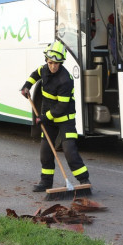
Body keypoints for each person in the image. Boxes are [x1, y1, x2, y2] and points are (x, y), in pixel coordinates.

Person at [20, 41, 90, 191]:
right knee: (45, 152)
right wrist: (27, 86)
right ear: (46, 60)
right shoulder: (44, 69)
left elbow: (62, 107)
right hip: (49, 120)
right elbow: (35, 74)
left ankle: (84, 181)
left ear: (61, 63)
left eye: (56, 63)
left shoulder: (65, 80)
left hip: (65, 120)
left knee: (69, 151)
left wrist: (44, 117)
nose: (53, 66)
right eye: (50, 62)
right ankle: (46, 182)